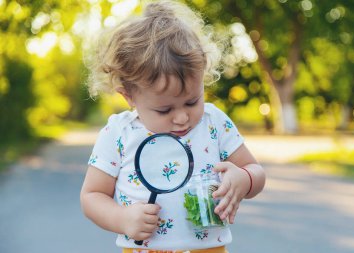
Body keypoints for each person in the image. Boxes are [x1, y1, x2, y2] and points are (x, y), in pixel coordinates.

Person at [80, 1, 266, 252]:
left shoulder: (214, 122)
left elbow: (255, 170)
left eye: (192, 101)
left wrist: (244, 179)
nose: (181, 118)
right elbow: (91, 197)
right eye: (164, 109)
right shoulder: (118, 134)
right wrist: (121, 219)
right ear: (129, 97)